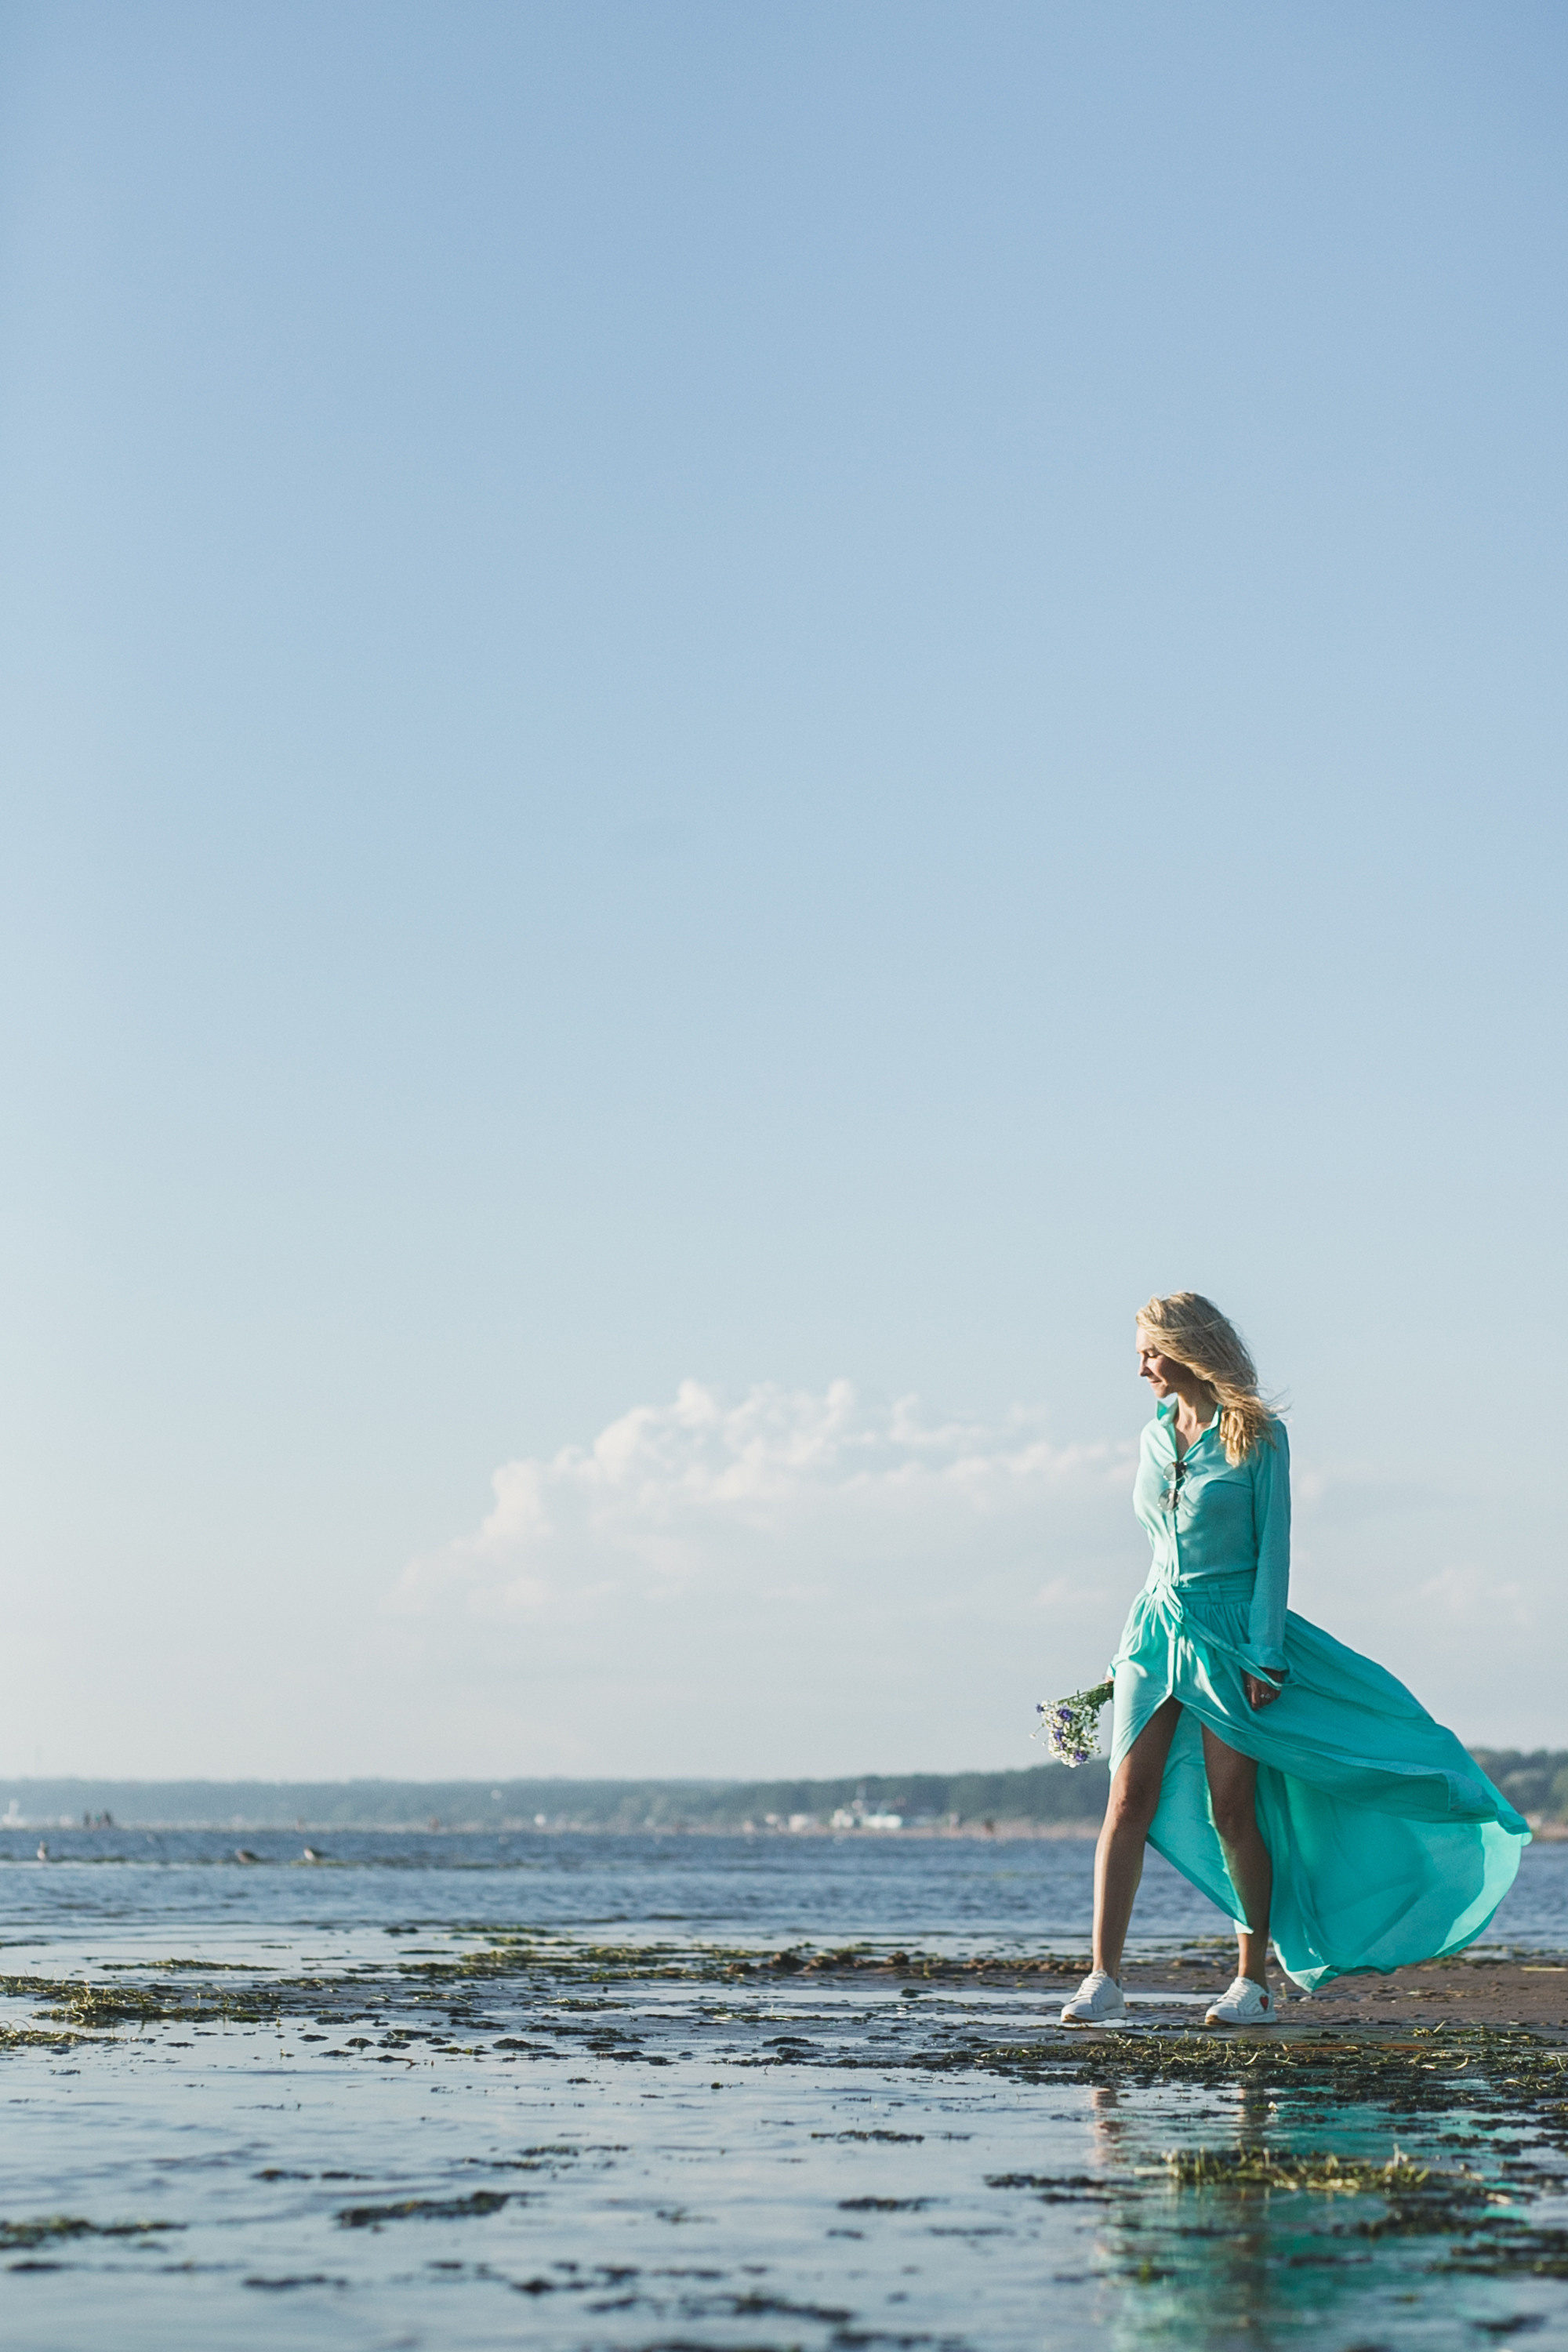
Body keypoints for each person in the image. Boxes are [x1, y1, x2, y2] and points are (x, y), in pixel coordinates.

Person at [1062, 1294, 1527, 2027]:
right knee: (1126, 1802)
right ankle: (1102, 1980)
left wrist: (1265, 1653)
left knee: (1232, 1808)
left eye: (1152, 1349)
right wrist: (1123, 1655)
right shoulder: (1153, 1436)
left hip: (1231, 1635)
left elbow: (1272, 1553)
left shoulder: (1259, 1437)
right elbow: (1158, 1548)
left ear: (1189, 1347)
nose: (1142, 1365)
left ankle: (1252, 1983)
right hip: (1153, 1631)